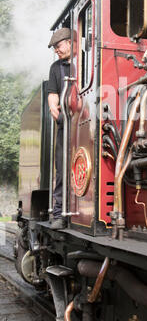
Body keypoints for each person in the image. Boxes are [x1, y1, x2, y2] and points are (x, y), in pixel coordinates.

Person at [47, 28, 72, 230]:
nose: (56, 50)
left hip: (88, 120)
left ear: (71, 42)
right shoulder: (56, 67)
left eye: (58, 46)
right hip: (66, 123)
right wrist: (54, 107)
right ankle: (59, 213)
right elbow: (52, 94)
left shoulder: (87, 60)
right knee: (62, 168)